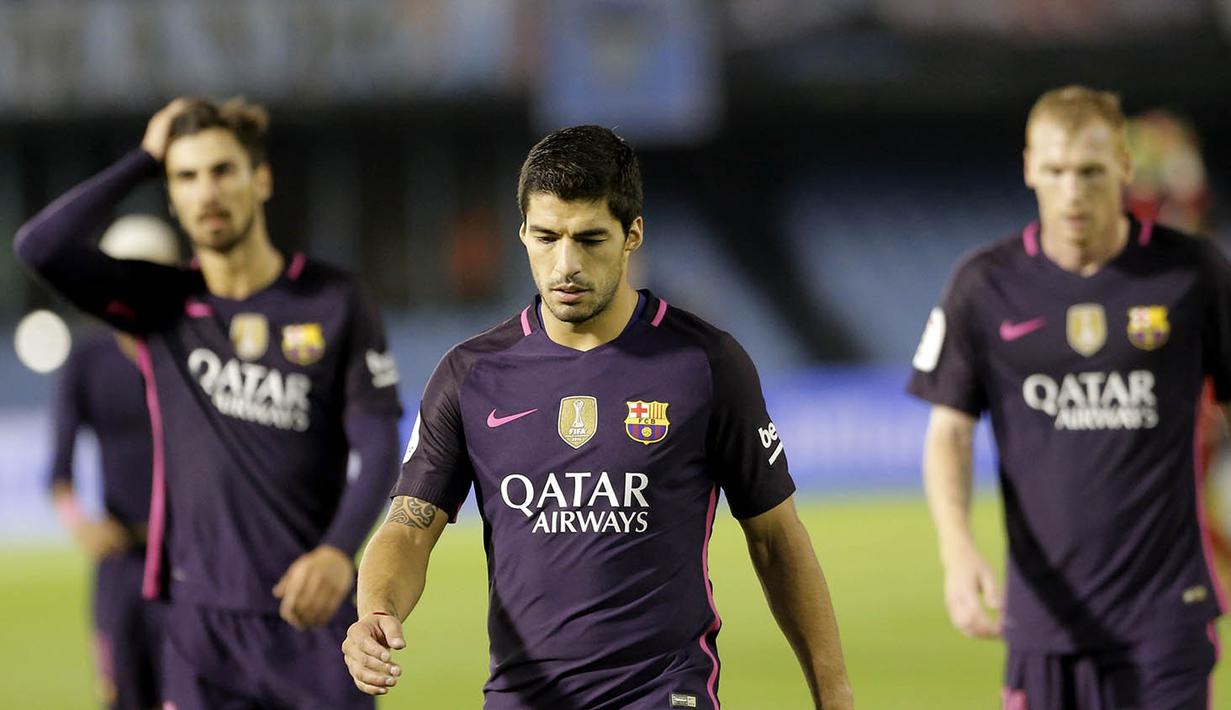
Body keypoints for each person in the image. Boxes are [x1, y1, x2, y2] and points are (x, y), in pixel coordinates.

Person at [340, 125, 853, 709]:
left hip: (662, 693)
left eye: (590, 239)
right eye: (546, 237)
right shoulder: (471, 376)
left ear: (632, 234)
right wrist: (375, 612)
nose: (566, 265)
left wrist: (833, 695)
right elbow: (407, 527)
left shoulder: (705, 364)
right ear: (523, 235)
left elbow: (777, 541)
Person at [16, 98, 403, 710]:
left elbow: (379, 435)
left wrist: (338, 551)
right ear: (170, 196)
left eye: (223, 170)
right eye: (186, 177)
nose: (207, 192)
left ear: (262, 179)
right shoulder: (161, 303)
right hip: (200, 636)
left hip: (315, 619)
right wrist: (144, 158)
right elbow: (40, 247)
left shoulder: (332, 299)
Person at [909, 85, 1227, 709]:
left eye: (1090, 171)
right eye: (1054, 171)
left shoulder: (1192, 274)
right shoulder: (984, 284)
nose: (1072, 191)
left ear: (1125, 168)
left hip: (1168, 619)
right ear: (1029, 166)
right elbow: (948, 429)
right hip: (1044, 625)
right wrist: (957, 549)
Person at [49, 215, 179, 710]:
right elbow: (59, 473)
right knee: (121, 696)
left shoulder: (194, 354)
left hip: (190, 561)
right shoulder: (87, 361)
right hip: (120, 569)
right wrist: (81, 525)